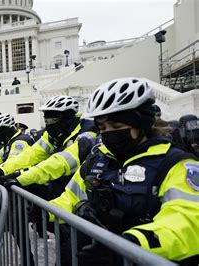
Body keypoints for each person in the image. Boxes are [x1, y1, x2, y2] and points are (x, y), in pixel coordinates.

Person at [49, 78, 199, 264]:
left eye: (117, 127)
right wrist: (43, 211)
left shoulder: (175, 164)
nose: (108, 133)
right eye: (102, 128)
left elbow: (188, 222)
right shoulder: (98, 160)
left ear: (141, 124)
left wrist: (130, 244)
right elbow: (70, 198)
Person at [0, 96, 97, 200]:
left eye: (52, 120)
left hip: (87, 189)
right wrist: (1, 171)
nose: (48, 125)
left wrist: (22, 177)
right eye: (46, 121)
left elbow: (61, 162)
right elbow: (31, 155)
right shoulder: (53, 135)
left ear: (67, 118)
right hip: (65, 187)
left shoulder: (88, 132)